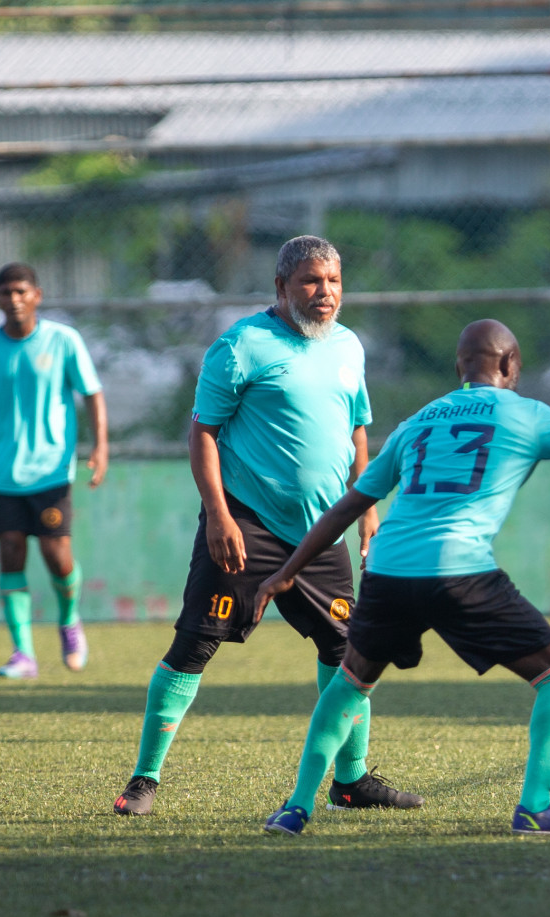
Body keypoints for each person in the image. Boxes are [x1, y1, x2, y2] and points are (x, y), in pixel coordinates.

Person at [257, 319, 550, 837]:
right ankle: (535, 807)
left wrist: (286, 573)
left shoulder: (418, 421)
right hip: (458, 569)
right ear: (510, 366)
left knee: (350, 683)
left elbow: (349, 505)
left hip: (388, 570)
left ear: (459, 367)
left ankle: (295, 807)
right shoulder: (528, 413)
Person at [113, 235, 419, 817]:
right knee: (196, 645)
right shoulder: (241, 346)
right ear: (281, 287)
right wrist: (220, 517)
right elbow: (202, 432)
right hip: (246, 523)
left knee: (350, 650)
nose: (323, 292)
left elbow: (358, 433)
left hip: (322, 530)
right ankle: (143, 780)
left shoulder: (349, 347)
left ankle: (349, 781)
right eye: (310, 280)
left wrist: (368, 512)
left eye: (332, 280)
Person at [0, 263, 107, 679]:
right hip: (0, 471)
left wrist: (100, 446)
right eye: (5, 292)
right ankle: (23, 654)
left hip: (50, 468)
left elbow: (92, 393)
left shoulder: (63, 341)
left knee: (55, 554)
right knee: (10, 551)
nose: (13, 299)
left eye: (20, 291)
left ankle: (68, 620)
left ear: (37, 296)